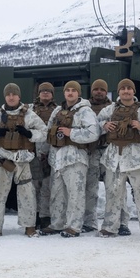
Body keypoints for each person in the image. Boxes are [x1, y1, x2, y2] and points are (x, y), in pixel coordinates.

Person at [96, 79, 140, 240]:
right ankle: (109, 227)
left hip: (137, 158)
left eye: (129, 88)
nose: (126, 91)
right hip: (114, 159)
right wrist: (104, 125)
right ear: (118, 92)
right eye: (123, 89)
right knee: (113, 194)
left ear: (134, 92)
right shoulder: (109, 109)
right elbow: (95, 124)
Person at [0, 83, 47, 237]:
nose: (11, 97)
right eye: (8, 94)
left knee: (27, 194)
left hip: (23, 159)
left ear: (19, 96)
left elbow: (44, 132)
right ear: (5, 97)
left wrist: (29, 133)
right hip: (2, 158)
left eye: (14, 94)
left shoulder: (29, 115)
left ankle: (29, 226)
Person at [42, 81, 100, 237]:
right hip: (57, 159)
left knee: (76, 193)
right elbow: (48, 132)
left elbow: (94, 133)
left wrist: (71, 133)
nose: (70, 93)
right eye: (67, 90)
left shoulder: (85, 111)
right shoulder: (57, 111)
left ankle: (74, 226)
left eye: (74, 90)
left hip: (75, 158)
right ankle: (57, 223)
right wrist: (44, 152)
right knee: (57, 193)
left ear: (78, 93)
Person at [84, 79, 113, 234]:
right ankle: (89, 222)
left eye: (102, 89)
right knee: (90, 188)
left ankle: (119, 222)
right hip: (92, 151)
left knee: (113, 188)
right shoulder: (84, 108)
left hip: (109, 150)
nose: (99, 92)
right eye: (96, 89)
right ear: (92, 91)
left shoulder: (113, 107)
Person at [31, 82, 58, 231]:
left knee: (48, 186)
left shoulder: (58, 110)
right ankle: (34, 216)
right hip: (34, 151)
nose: (45, 93)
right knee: (34, 186)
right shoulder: (30, 110)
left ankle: (46, 216)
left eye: (48, 91)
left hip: (51, 151)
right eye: (43, 91)